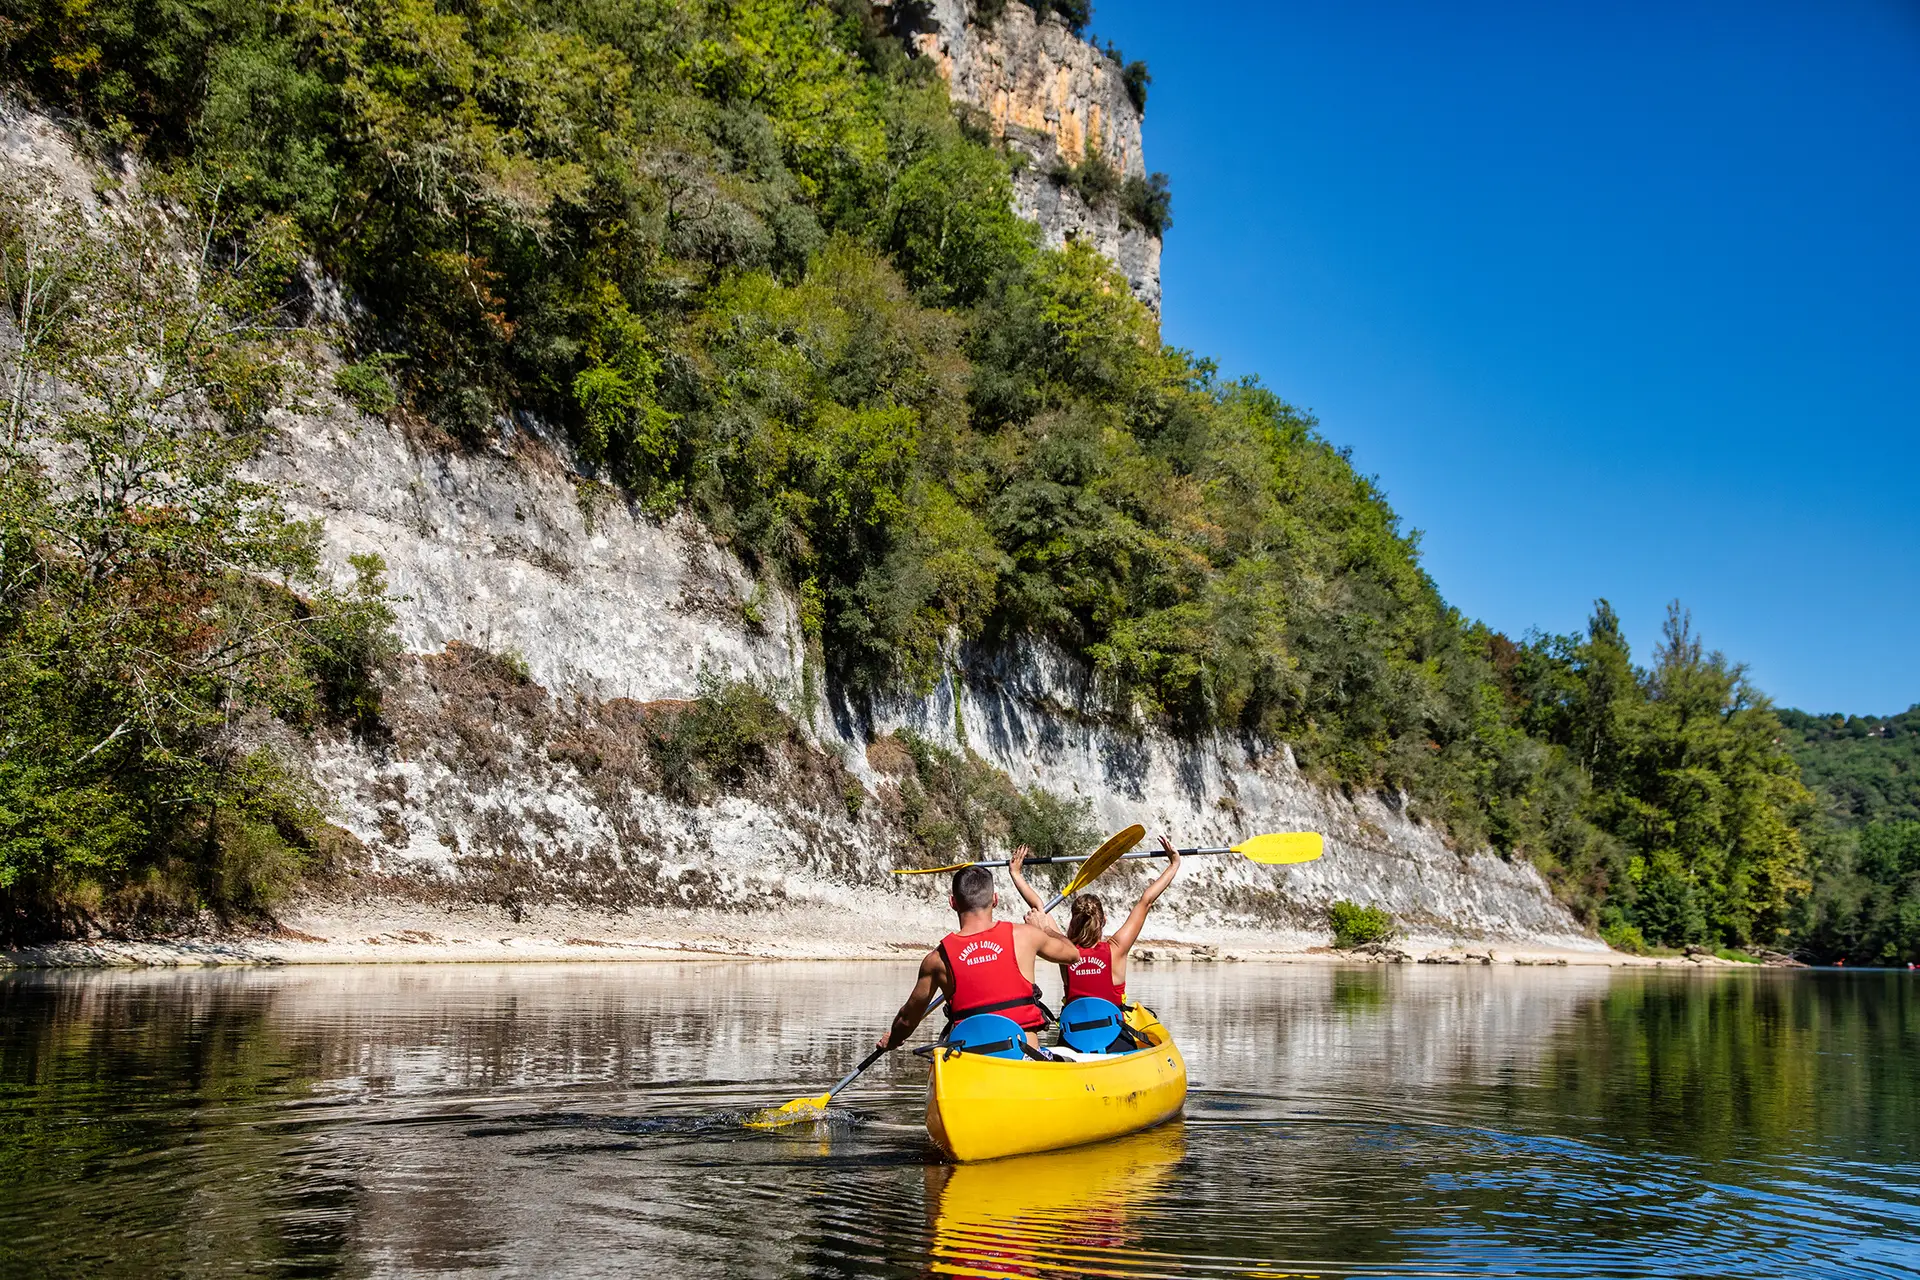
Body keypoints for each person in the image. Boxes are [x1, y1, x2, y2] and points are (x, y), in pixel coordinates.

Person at [876, 864, 1082, 1052]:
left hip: (973, 1067)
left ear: (953, 902)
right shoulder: (1026, 936)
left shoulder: (937, 960)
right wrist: (1044, 927)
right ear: (995, 900)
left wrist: (893, 1039)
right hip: (1024, 1062)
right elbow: (1072, 955)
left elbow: (907, 1019)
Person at [1010, 834, 1182, 1009]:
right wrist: (1174, 864)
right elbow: (1146, 901)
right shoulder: (1116, 949)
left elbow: (1038, 907)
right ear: (1104, 920)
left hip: (1074, 1035)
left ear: (1072, 921)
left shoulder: (1065, 954)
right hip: (1112, 1035)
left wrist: (1016, 873)